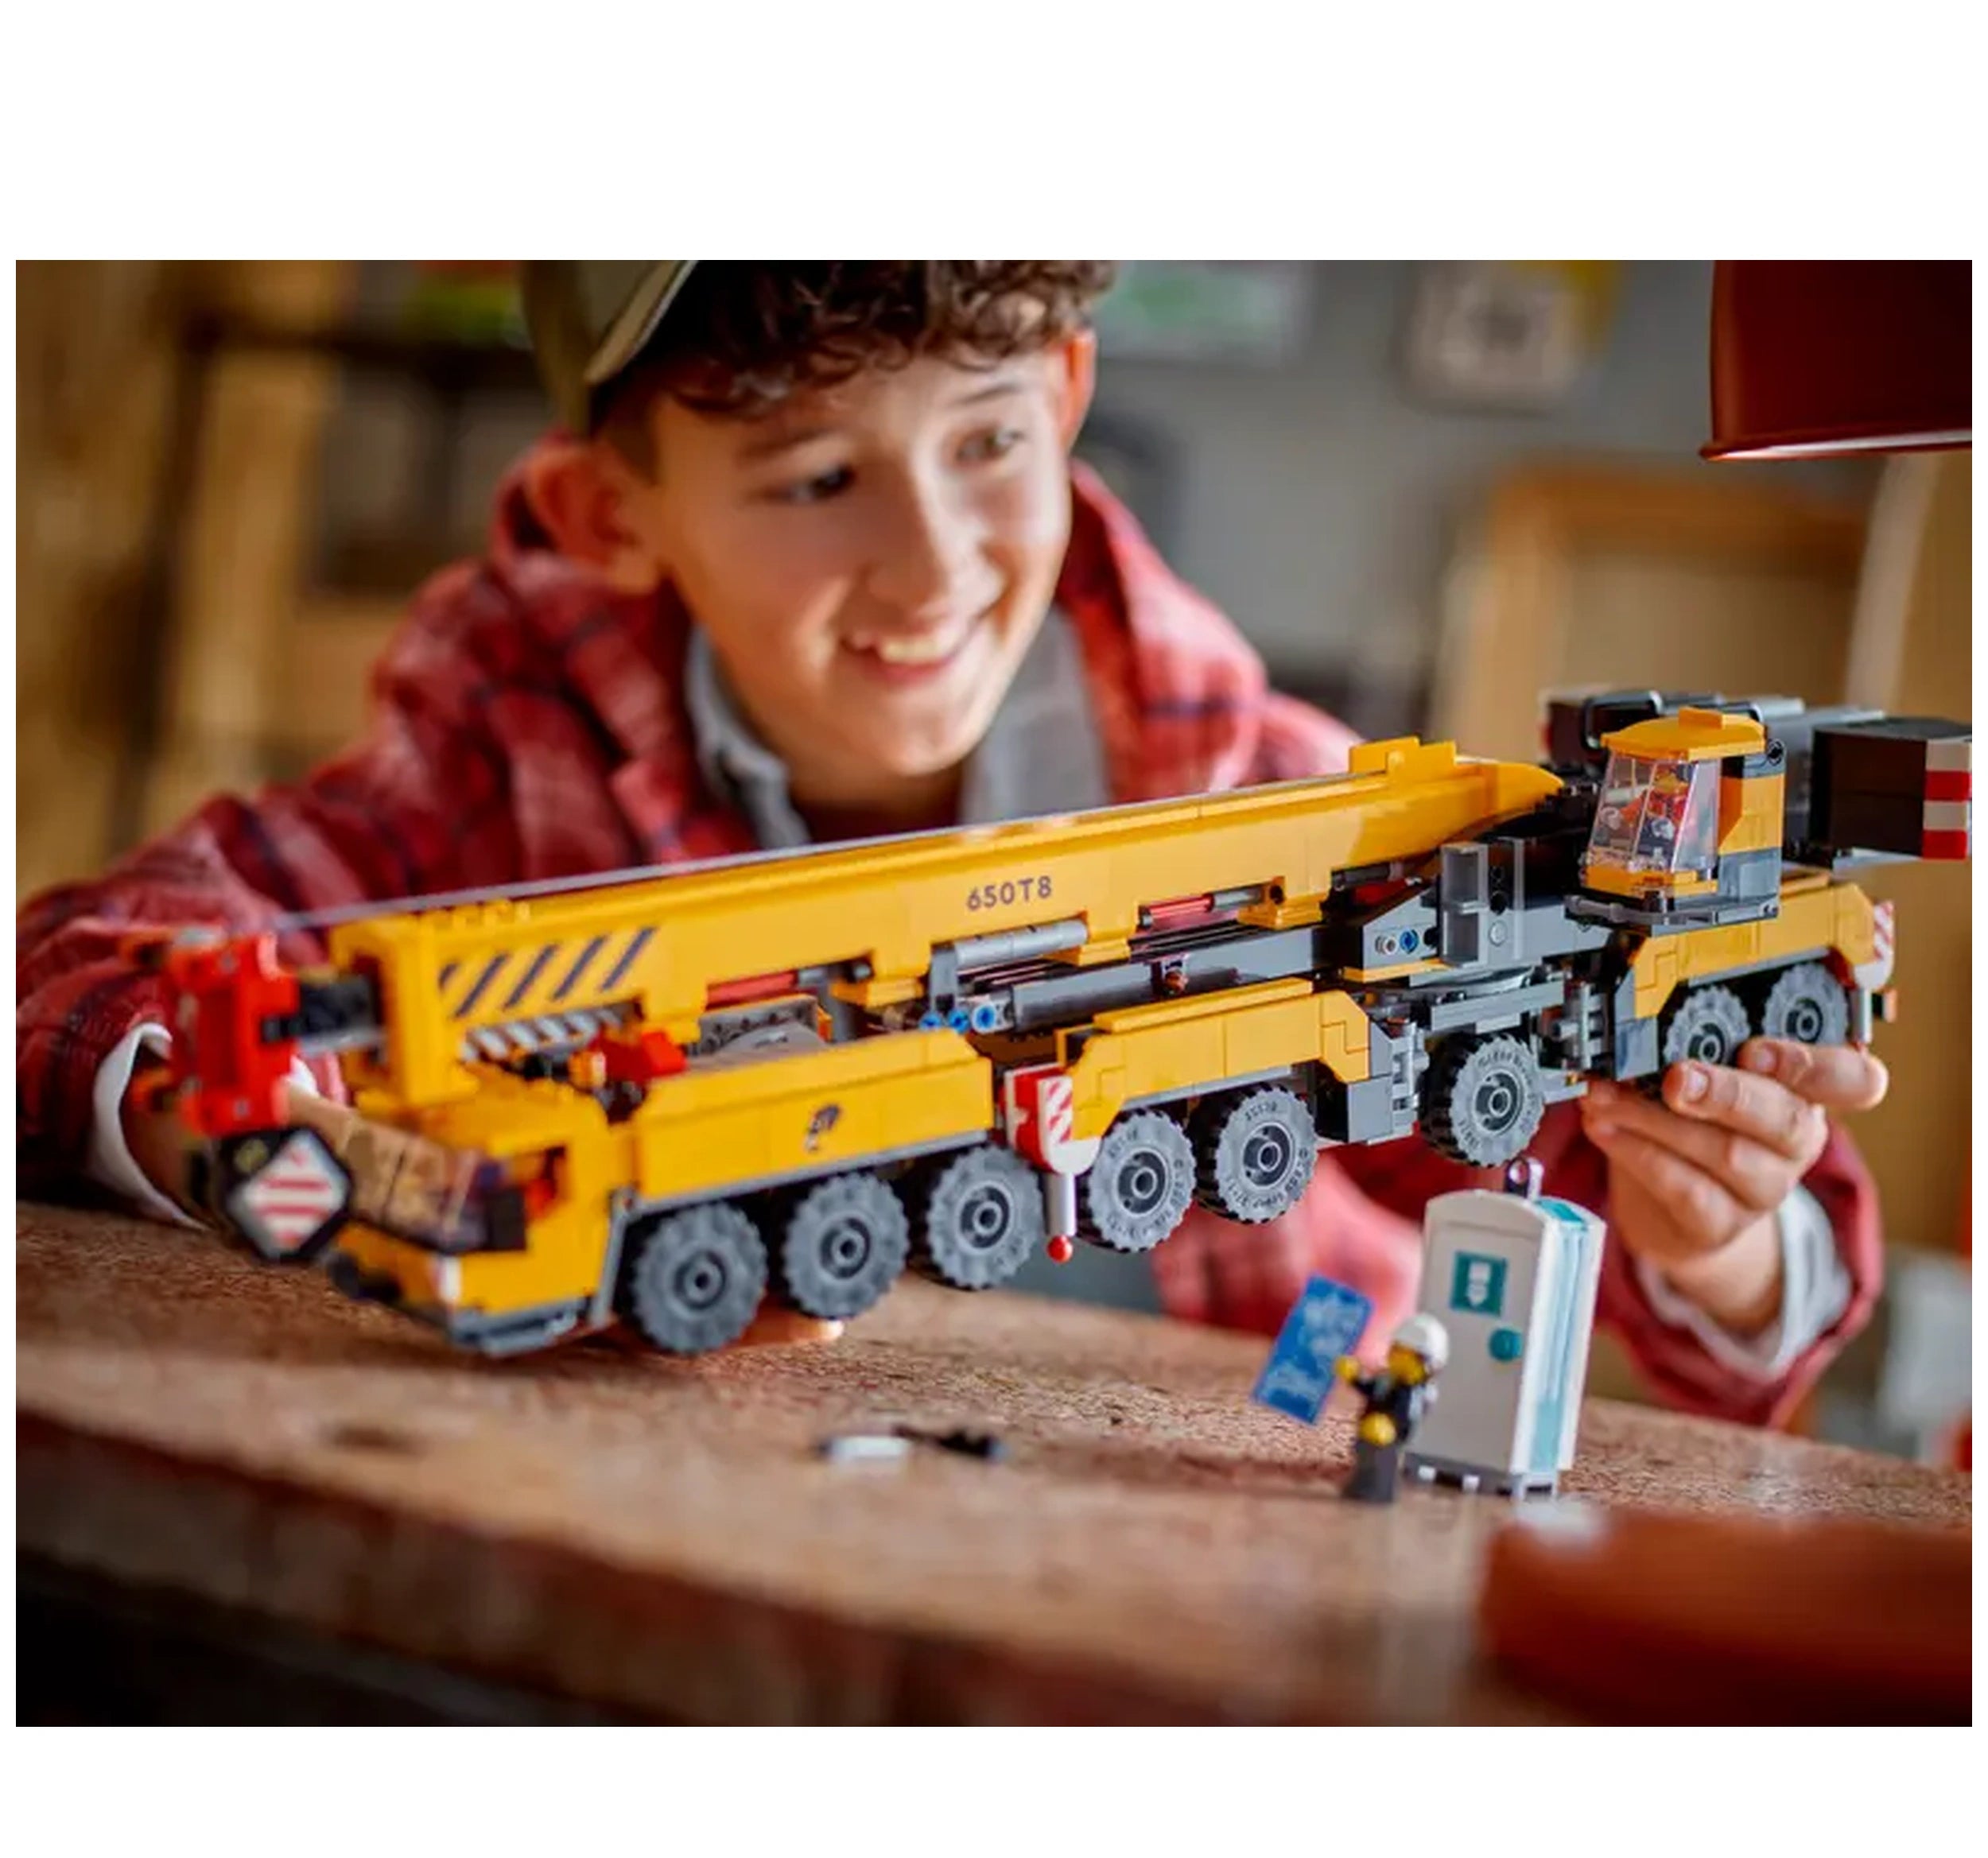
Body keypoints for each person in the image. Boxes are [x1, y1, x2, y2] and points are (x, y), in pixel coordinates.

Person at [15, 261, 1888, 1423]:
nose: (930, 569)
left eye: (986, 445)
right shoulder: (506, 760)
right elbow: (90, 962)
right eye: (816, 476)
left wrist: (1716, 1238)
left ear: (1067, 396)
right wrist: (251, 1135)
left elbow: (1727, 1298)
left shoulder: (1276, 794)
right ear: (610, 511)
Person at [1337, 1315, 1449, 1504]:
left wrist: (1391, 1428)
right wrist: (1354, 1377)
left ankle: (1379, 1493)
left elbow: (1408, 1418)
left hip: (1386, 1438)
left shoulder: (1414, 1394)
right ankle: (1358, 1487)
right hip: (1369, 1431)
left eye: (1405, 1354)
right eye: (1396, 1350)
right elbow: (1372, 1390)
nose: (1396, 1357)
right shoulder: (1387, 1379)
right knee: (1365, 1459)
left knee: (1381, 1466)